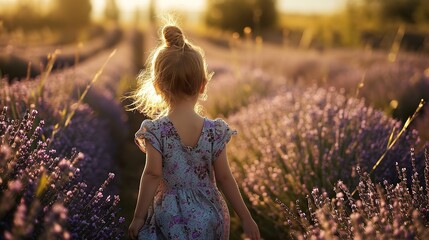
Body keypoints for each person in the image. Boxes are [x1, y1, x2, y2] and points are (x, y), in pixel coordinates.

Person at [128, 24, 260, 240]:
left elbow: (152, 174)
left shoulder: (156, 131)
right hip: (210, 213)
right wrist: (245, 217)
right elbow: (225, 177)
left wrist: (138, 217)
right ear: (203, 85)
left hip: (171, 215)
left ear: (157, 86)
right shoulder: (214, 131)